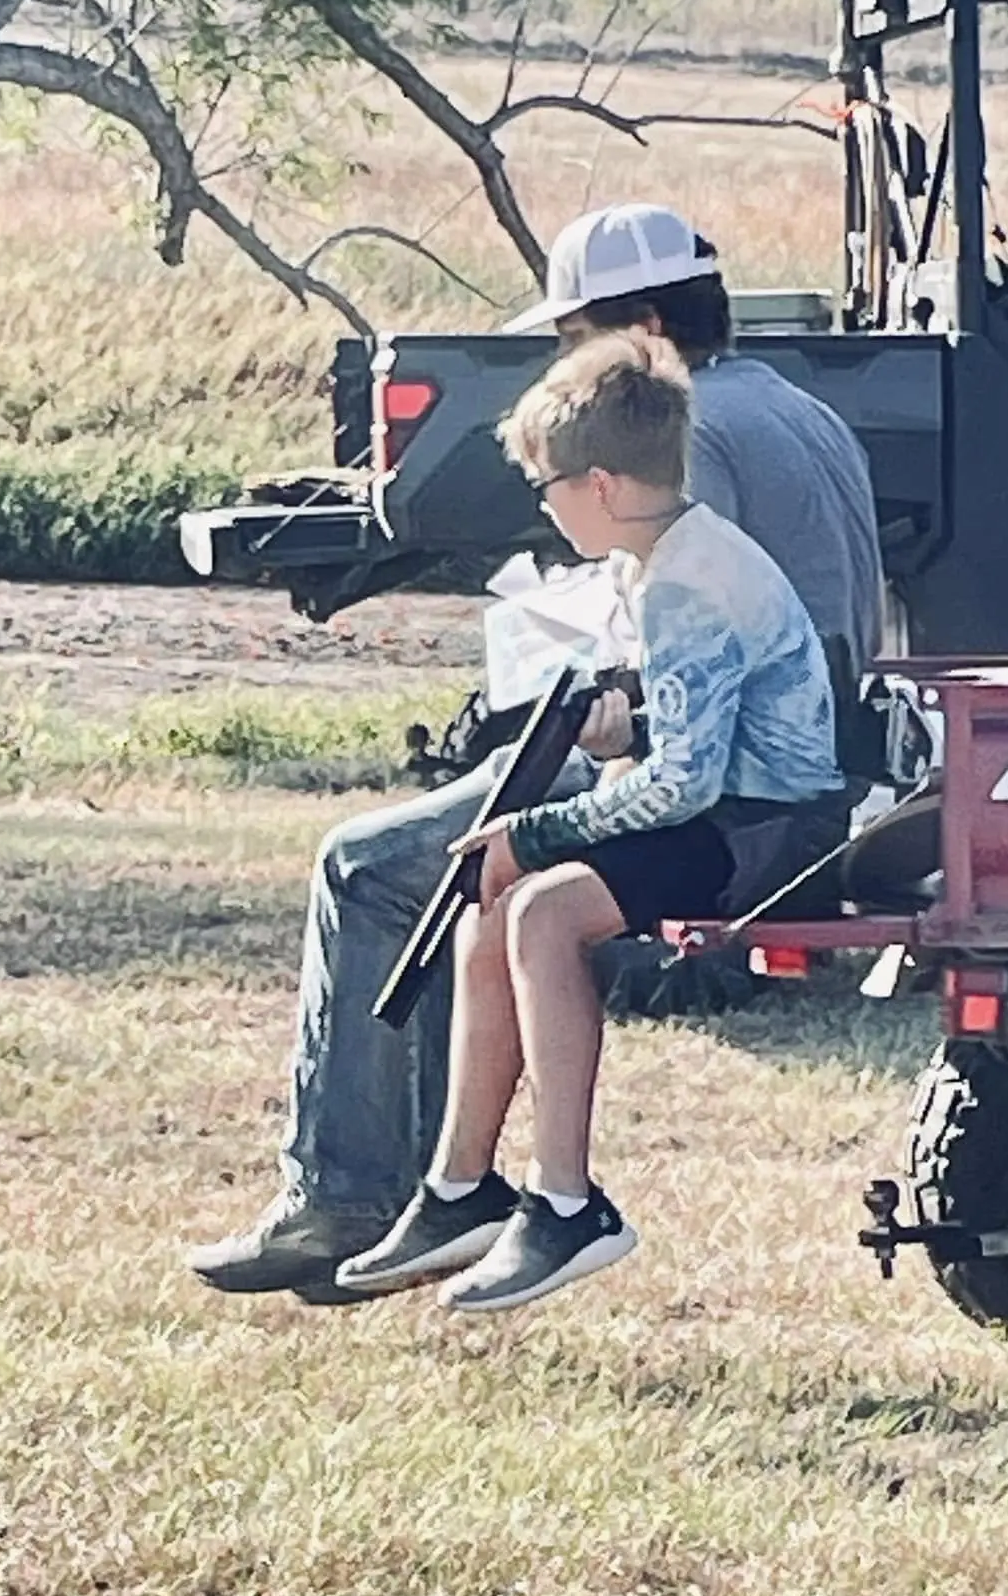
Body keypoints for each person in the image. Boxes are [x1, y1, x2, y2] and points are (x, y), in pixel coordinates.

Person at [186, 202, 882, 1303]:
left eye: (577, 339)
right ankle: (453, 1183)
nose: (566, 360)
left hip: (719, 774)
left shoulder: (688, 434)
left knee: (368, 866)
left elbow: (673, 659)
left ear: (645, 330)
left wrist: (569, 732)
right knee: (479, 876)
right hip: (759, 747)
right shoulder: (796, 404)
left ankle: (351, 1199)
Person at [335, 334, 846, 1310]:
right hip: (735, 803)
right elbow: (690, 737)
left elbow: (688, 787)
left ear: (602, 485)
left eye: (548, 484)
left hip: (772, 829)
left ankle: (567, 1203)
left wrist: (541, 830)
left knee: (540, 908)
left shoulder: (685, 584)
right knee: (497, 900)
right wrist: (628, 729)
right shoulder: (671, 552)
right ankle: (460, 1189)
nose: (544, 500)